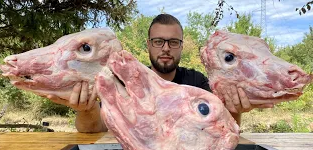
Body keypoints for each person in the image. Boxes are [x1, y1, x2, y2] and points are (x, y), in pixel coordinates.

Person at [46, 14, 272, 132]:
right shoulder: (125, 81)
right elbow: (96, 130)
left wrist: (236, 110)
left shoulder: (197, 82)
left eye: (173, 42)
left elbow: (220, 130)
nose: (165, 48)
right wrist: (86, 110)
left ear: (182, 46)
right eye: (158, 41)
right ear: (148, 45)